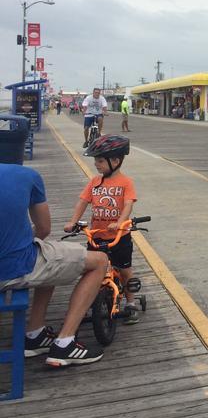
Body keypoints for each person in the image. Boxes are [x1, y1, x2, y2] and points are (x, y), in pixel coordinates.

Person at [0, 115, 107, 367]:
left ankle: (35, 333)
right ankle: (64, 343)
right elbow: (44, 228)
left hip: (16, 265)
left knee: (50, 255)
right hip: (12, 269)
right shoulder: (28, 176)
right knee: (99, 261)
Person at [64, 135, 139, 325]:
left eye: (100, 160)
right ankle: (91, 299)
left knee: (124, 270)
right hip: (96, 235)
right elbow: (83, 202)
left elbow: (128, 205)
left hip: (119, 236)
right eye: (95, 160)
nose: (96, 164)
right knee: (91, 270)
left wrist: (120, 222)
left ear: (115, 160)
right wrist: (73, 221)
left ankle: (130, 303)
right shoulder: (94, 182)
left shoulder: (126, 183)